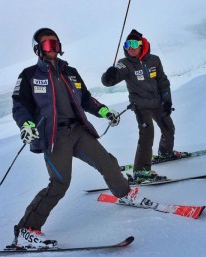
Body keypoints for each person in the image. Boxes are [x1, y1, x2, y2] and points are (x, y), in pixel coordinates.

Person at [11, 28, 143, 249]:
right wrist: (26, 125)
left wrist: (104, 111)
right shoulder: (29, 75)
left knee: (107, 162)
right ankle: (26, 229)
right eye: (46, 45)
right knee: (60, 183)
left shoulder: (70, 72)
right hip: (54, 136)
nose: (52, 49)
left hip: (78, 131)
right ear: (38, 49)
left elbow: (86, 99)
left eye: (54, 44)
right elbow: (20, 106)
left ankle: (125, 194)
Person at [102, 29, 188, 183]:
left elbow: (163, 82)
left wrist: (167, 101)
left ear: (142, 45)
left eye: (134, 44)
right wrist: (108, 76)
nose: (130, 47)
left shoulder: (154, 60)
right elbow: (110, 81)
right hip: (140, 106)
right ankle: (141, 171)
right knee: (147, 132)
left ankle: (165, 153)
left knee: (168, 127)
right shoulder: (124, 64)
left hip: (157, 103)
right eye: (127, 44)